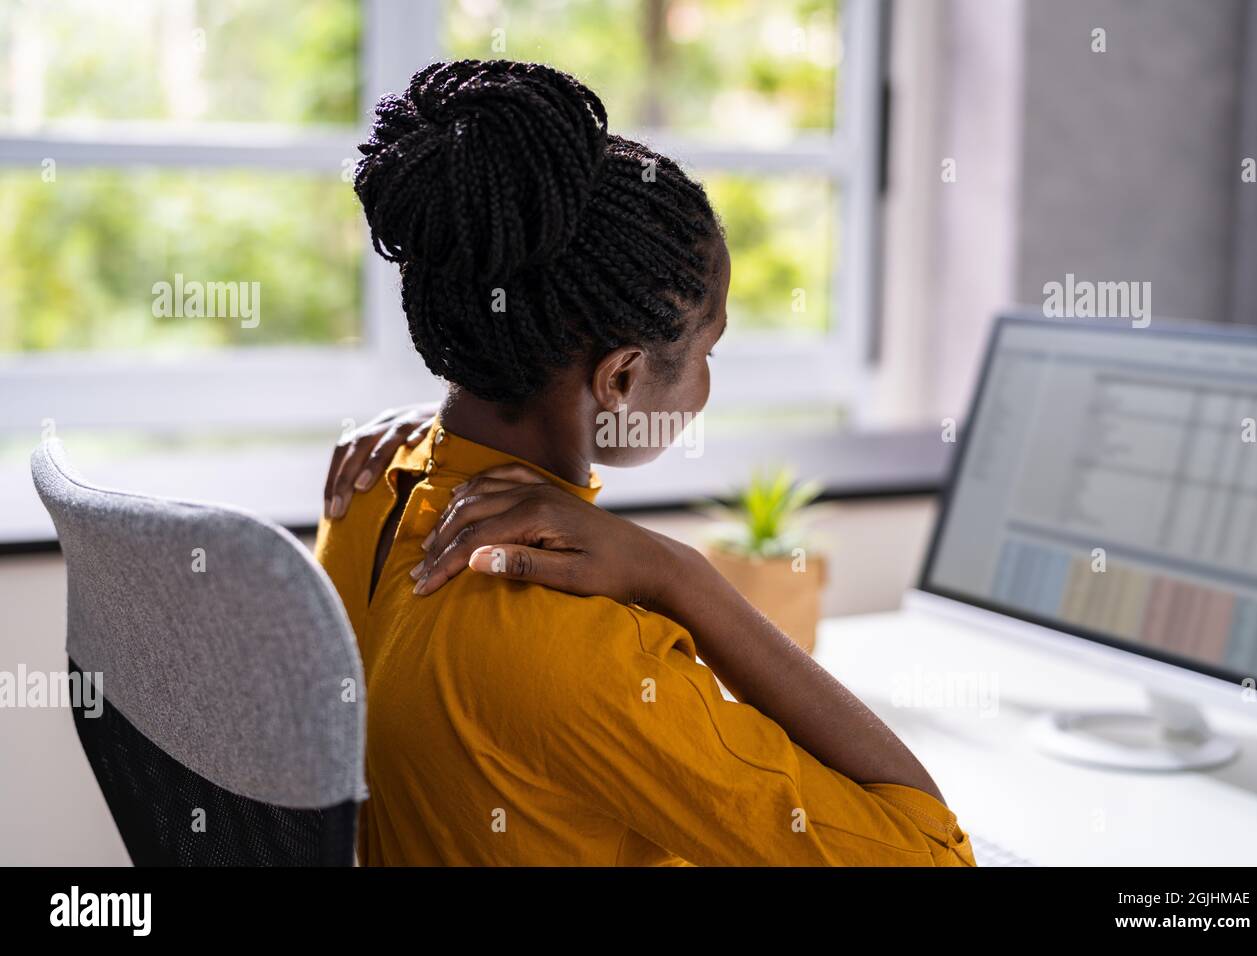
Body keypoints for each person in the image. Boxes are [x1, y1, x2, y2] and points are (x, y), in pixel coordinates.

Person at [316, 58, 975, 866]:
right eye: (707, 349)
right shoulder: (574, 648)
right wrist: (681, 576)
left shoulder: (367, 492)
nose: (706, 386)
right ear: (621, 378)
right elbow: (929, 855)